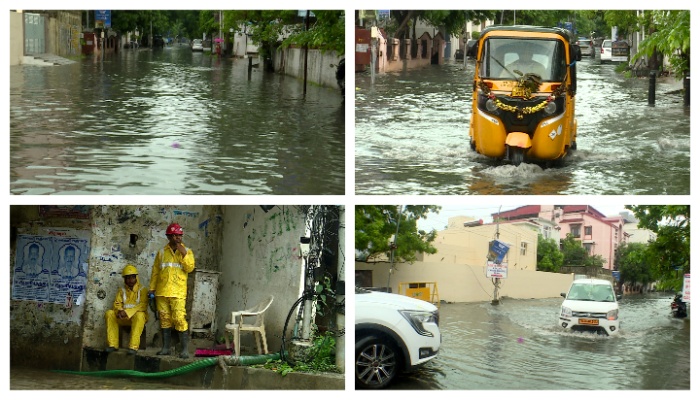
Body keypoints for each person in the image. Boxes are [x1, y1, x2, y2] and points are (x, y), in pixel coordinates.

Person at [149, 223, 195, 358]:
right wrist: (152, 289)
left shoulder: (187, 251)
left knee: (179, 318)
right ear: (169, 237)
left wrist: (183, 253)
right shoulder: (162, 252)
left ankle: (185, 349)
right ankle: (165, 348)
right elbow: (155, 272)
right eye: (174, 235)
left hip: (178, 292)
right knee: (164, 319)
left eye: (179, 235)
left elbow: (190, 268)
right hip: (162, 292)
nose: (177, 238)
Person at [104, 265, 149, 355]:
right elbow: (117, 303)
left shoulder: (143, 290)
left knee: (140, 315)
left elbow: (143, 305)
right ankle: (112, 345)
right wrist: (119, 311)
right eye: (127, 278)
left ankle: (133, 347)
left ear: (136, 277)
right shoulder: (122, 290)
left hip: (136, 319)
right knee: (109, 313)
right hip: (123, 318)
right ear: (124, 279)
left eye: (132, 277)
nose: (130, 280)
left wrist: (127, 312)